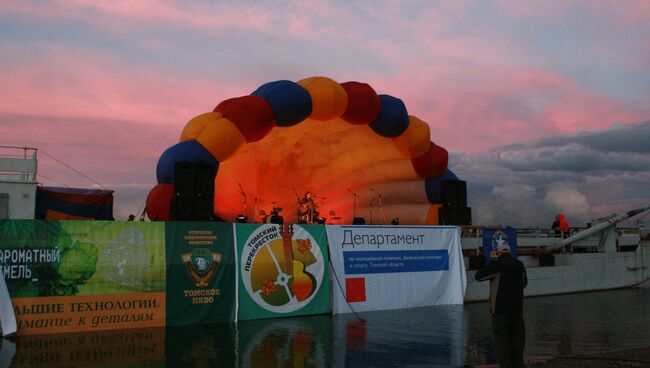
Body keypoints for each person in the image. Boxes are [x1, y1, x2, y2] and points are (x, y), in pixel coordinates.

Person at [475, 243, 527, 368]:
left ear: (498, 253)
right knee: (517, 340)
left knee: (502, 341)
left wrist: (491, 264)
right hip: (517, 310)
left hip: (500, 310)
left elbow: (478, 277)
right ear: (509, 252)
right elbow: (524, 283)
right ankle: (518, 364)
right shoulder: (520, 265)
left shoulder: (497, 266)